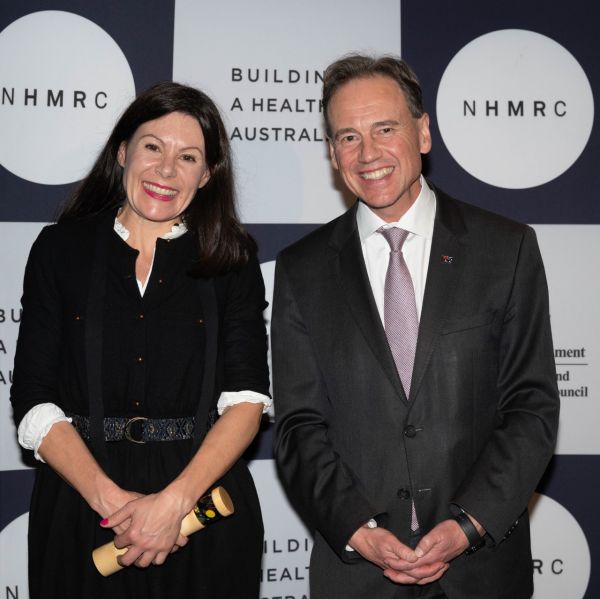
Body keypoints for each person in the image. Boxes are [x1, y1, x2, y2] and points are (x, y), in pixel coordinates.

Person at [272, 54, 559, 599]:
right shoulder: (301, 269)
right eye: (348, 137)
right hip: (356, 573)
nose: (369, 153)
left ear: (423, 132)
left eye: (385, 129)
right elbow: (298, 426)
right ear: (333, 154)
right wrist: (359, 530)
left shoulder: (506, 248)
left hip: (481, 570)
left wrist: (468, 524)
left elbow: (532, 406)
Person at [11, 81, 270, 599]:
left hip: (201, 510)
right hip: (81, 508)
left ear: (207, 174)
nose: (167, 170)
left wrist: (173, 505)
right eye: (153, 146)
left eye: (188, 156)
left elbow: (246, 400)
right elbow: (34, 399)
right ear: (123, 151)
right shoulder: (60, 249)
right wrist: (115, 505)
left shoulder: (232, 258)